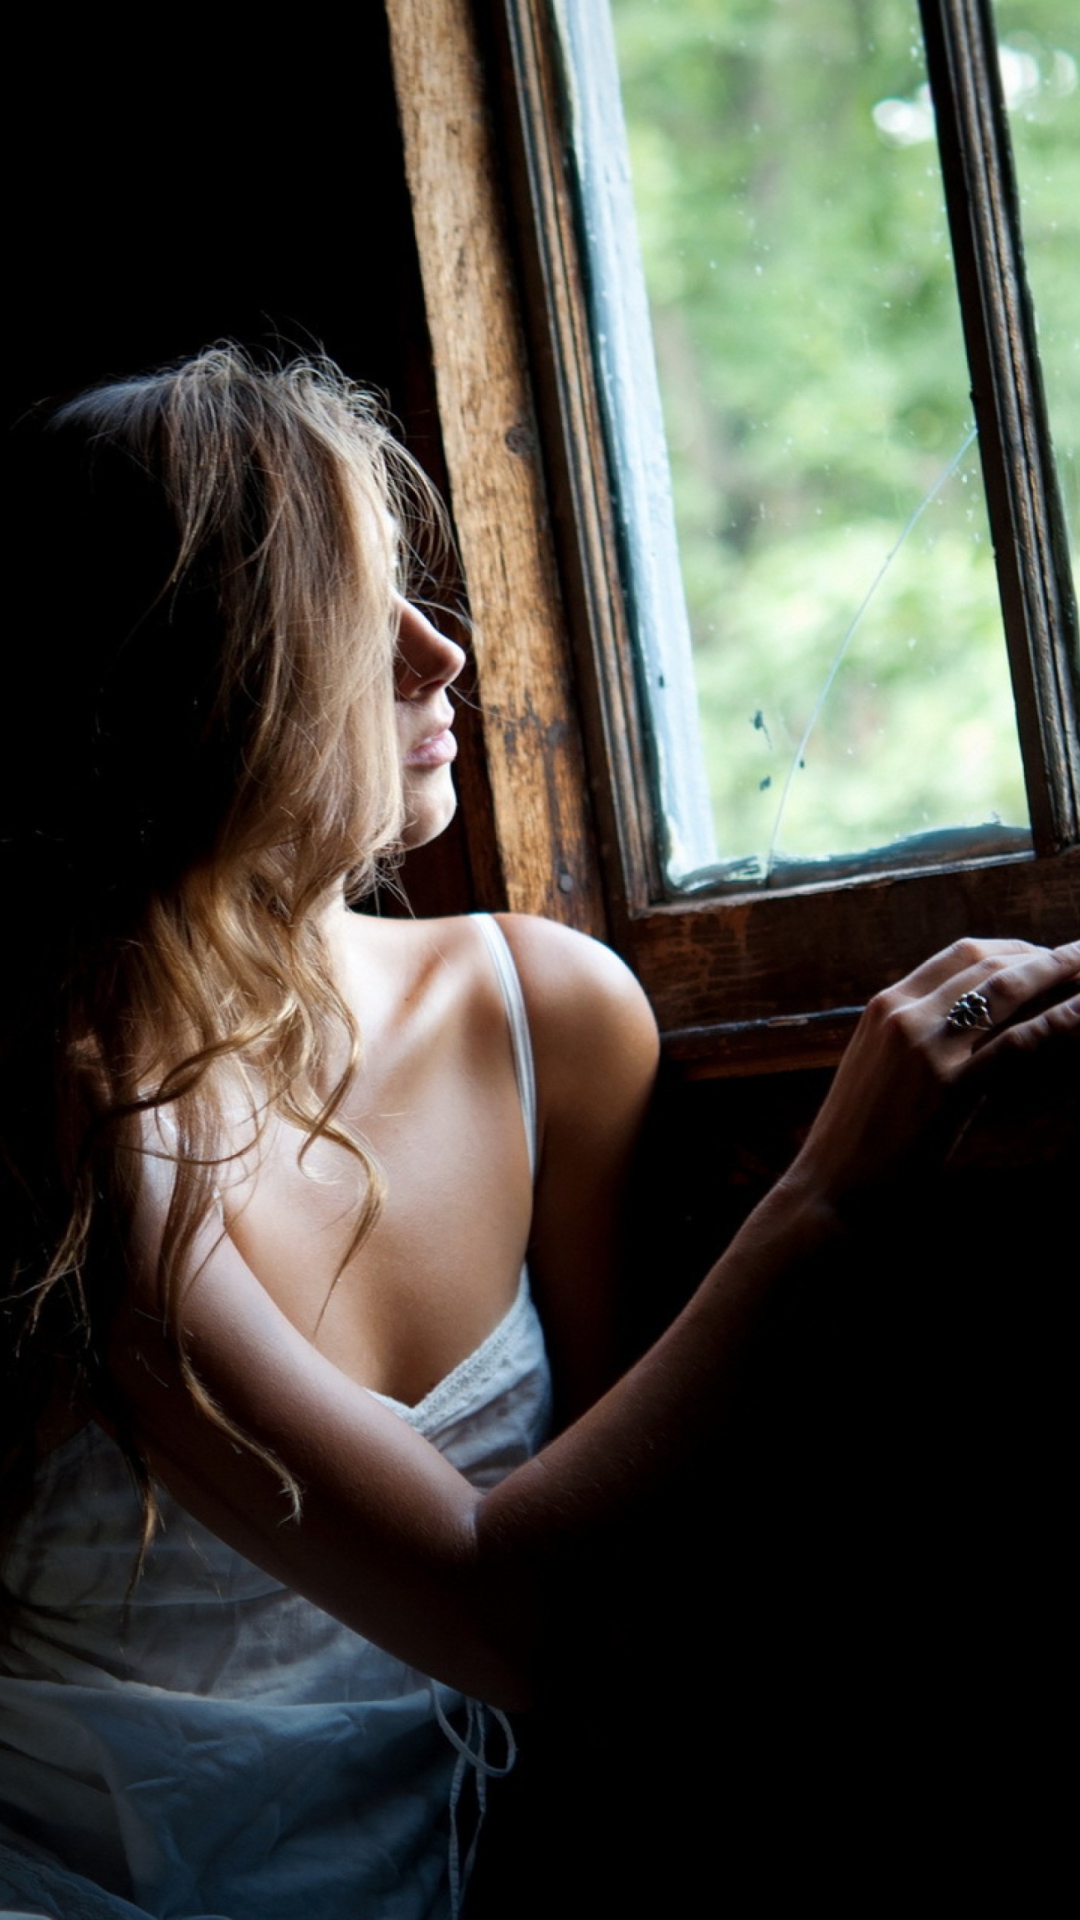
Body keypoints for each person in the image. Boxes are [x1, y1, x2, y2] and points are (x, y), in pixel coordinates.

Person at [1, 348, 1075, 1920]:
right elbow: (506, 1616)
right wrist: (832, 1188)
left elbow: (638, 1594)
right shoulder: (84, 1117)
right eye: (353, 618)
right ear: (190, 678)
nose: (441, 652)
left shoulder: (542, 1010)